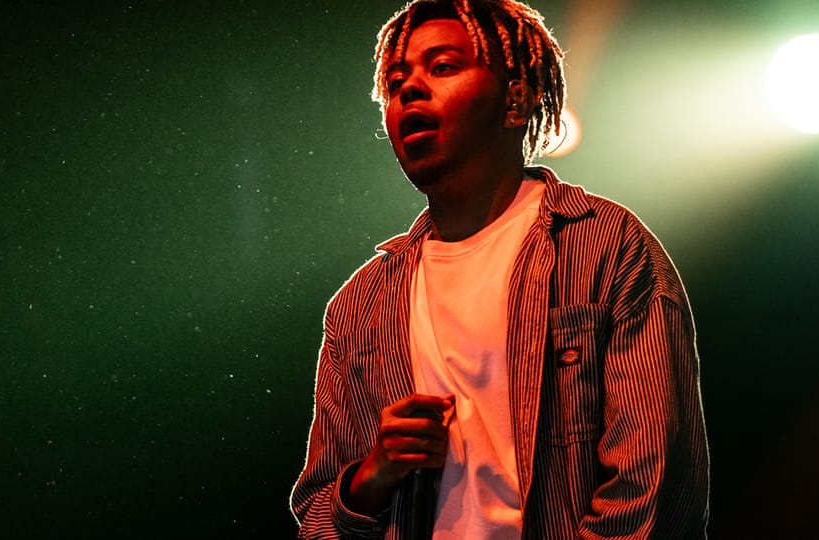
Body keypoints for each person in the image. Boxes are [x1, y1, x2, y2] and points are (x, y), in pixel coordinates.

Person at [290, 0, 709, 538]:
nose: (410, 89)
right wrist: (371, 475)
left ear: (515, 100)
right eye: (395, 82)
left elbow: (652, 489)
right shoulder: (360, 306)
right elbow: (316, 519)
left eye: (442, 67)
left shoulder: (604, 248)